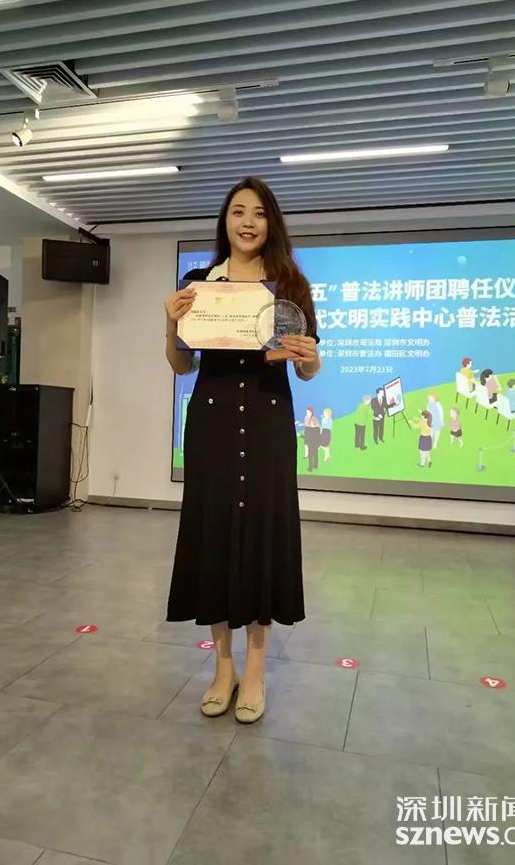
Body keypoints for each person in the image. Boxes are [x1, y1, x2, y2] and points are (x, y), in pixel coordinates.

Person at [164, 177, 320, 724]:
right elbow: (181, 364)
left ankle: (255, 671)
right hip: (211, 422)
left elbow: (308, 368)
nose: (248, 222)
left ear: (271, 222)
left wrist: (307, 356)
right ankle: (222, 669)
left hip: (267, 420)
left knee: (261, 538)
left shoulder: (290, 285)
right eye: (237, 211)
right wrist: (170, 323)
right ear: (224, 221)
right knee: (213, 534)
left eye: (258, 213)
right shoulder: (198, 284)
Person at [303, 406, 321, 471]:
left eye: (308, 412)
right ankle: (312, 467)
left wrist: (318, 444)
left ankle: (313, 466)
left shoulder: (316, 425)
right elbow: (307, 433)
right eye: (307, 412)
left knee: (314, 454)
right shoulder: (306, 419)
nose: (307, 413)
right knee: (311, 454)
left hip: (314, 442)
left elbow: (318, 436)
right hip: (310, 441)